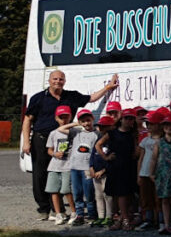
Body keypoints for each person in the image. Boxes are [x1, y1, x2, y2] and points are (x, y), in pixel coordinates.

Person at [22, 70, 118, 218]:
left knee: (61, 173)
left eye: (61, 79)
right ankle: (44, 208)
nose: (58, 81)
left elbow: (91, 98)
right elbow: (28, 119)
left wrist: (108, 88)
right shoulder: (38, 98)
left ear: (64, 81)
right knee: (40, 174)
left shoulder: (71, 96)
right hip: (41, 139)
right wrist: (26, 142)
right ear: (49, 80)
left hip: (64, 139)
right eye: (55, 79)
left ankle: (58, 209)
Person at [95, 112, 140, 231]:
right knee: (118, 194)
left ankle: (122, 219)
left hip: (129, 165)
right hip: (116, 166)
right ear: (121, 119)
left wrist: (137, 152)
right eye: (127, 118)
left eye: (131, 119)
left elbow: (136, 151)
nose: (129, 121)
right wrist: (106, 157)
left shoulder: (133, 134)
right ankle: (123, 218)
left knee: (127, 193)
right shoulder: (112, 133)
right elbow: (98, 145)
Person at [65, 109, 98, 225]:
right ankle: (80, 214)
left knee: (89, 193)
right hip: (75, 168)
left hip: (87, 168)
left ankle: (92, 214)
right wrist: (76, 123)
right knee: (77, 193)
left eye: (88, 120)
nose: (86, 124)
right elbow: (61, 129)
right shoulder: (76, 132)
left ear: (93, 120)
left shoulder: (96, 134)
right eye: (83, 121)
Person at [44, 105, 75, 224]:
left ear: (70, 117)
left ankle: (73, 211)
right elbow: (49, 149)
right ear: (56, 118)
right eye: (61, 117)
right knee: (53, 190)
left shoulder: (73, 132)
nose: (64, 120)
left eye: (66, 117)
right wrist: (55, 154)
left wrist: (74, 123)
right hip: (54, 166)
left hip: (68, 166)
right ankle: (58, 214)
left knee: (67, 190)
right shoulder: (53, 133)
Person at [90, 116, 115, 226]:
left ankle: (109, 216)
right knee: (98, 195)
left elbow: (113, 159)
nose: (102, 129)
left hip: (106, 172)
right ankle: (101, 216)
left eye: (105, 127)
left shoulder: (113, 141)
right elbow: (92, 154)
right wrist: (91, 168)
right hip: (95, 172)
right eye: (100, 127)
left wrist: (103, 170)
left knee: (107, 195)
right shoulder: (98, 139)